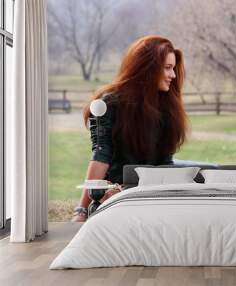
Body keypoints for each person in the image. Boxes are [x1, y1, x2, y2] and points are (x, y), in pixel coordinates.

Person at [72, 36, 189, 222]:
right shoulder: (108, 104)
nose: (173, 75)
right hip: (119, 186)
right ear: (147, 68)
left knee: (208, 171)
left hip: (153, 184)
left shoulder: (167, 107)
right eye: (167, 68)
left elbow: (166, 164)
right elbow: (101, 156)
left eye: (173, 68)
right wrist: (82, 210)